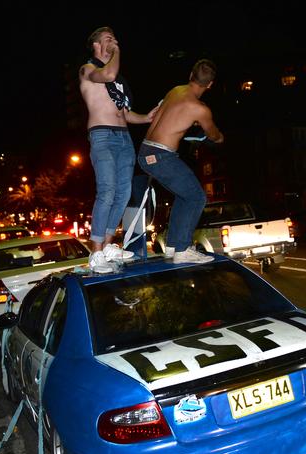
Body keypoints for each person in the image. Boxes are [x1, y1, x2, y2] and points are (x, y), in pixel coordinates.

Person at [79, 26, 159, 272]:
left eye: (115, 38)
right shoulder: (89, 69)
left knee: (123, 193)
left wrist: (146, 117)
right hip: (102, 135)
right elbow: (110, 73)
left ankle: (109, 244)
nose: (113, 41)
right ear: (96, 45)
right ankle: (96, 251)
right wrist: (117, 51)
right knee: (107, 191)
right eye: (108, 39)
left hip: (124, 138)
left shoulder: (119, 82)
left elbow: (125, 114)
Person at [137, 59, 224, 264]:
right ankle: (183, 249)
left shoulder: (175, 90)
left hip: (146, 151)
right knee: (197, 197)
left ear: (190, 76)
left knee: (184, 195)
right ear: (210, 85)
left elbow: (164, 113)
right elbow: (213, 135)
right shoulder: (200, 108)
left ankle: (173, 247)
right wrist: (220, 137)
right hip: (161, 156)